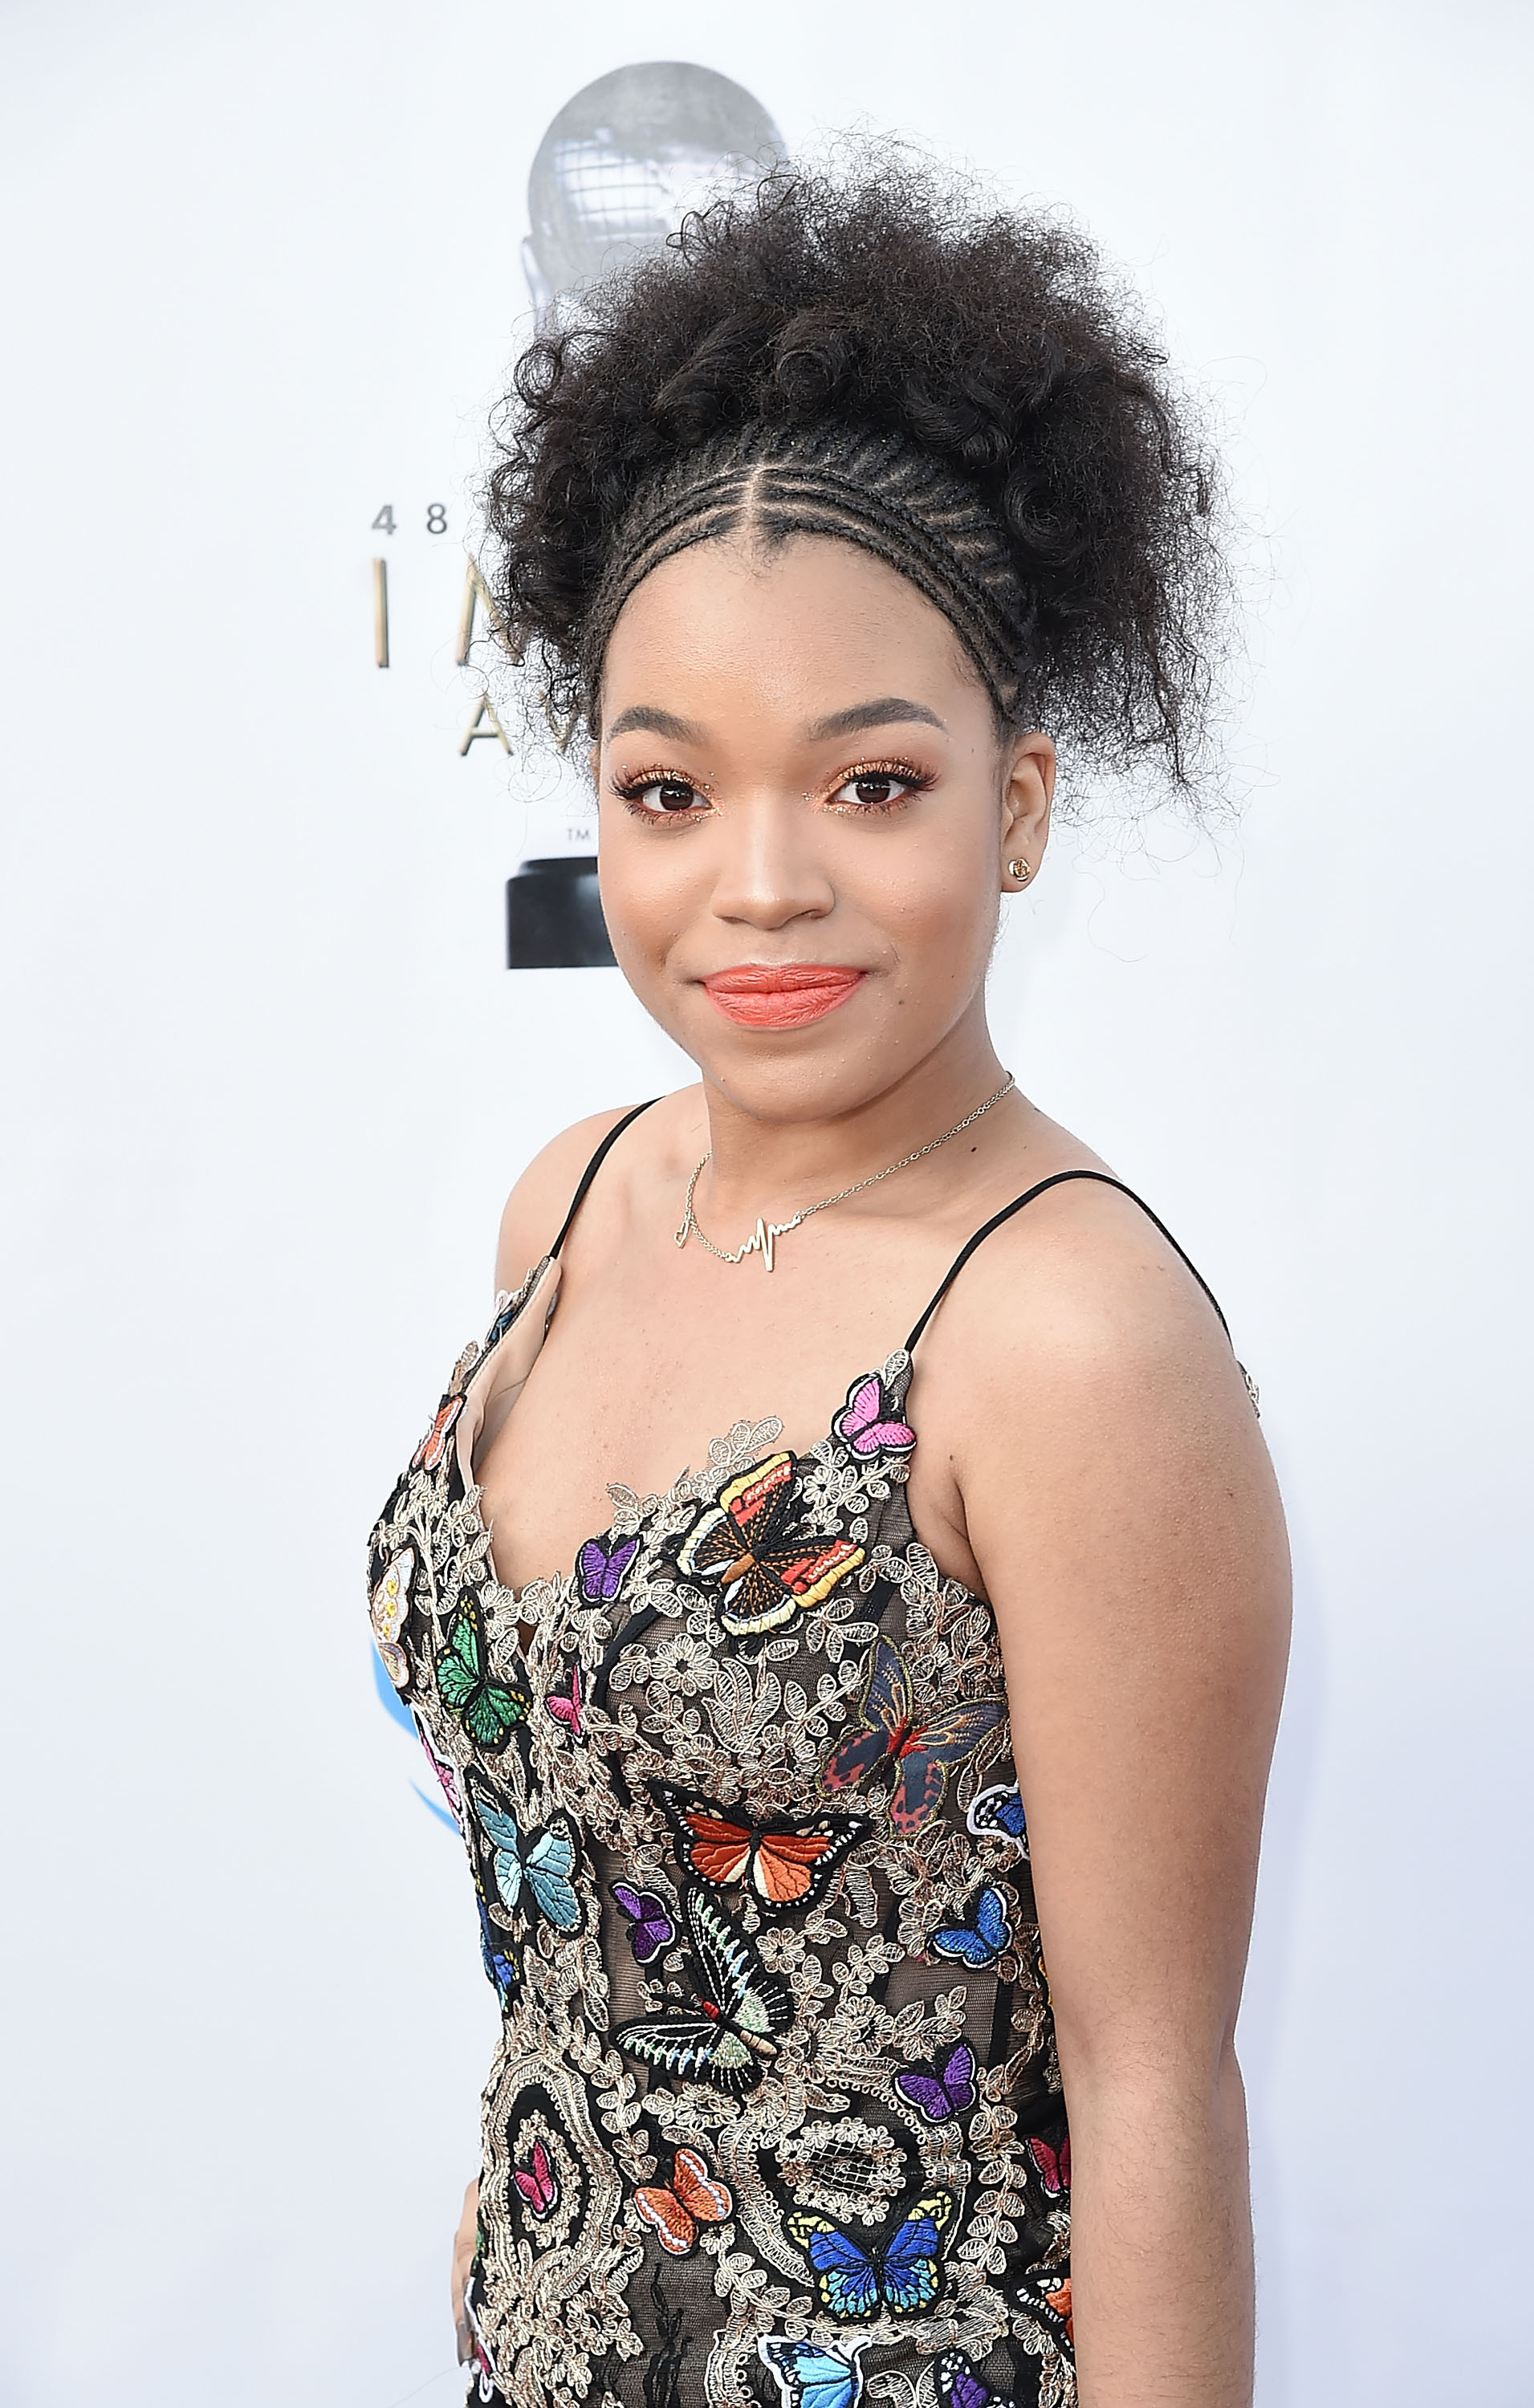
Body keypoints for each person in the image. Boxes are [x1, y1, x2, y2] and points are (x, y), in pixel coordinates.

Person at [368, 161, 1289, 2408]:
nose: (760, 888)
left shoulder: (1065, 1339)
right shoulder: (562, 1206)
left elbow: (1156, 2090)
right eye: (671, 791)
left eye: (871, 782)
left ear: (1024, 804)